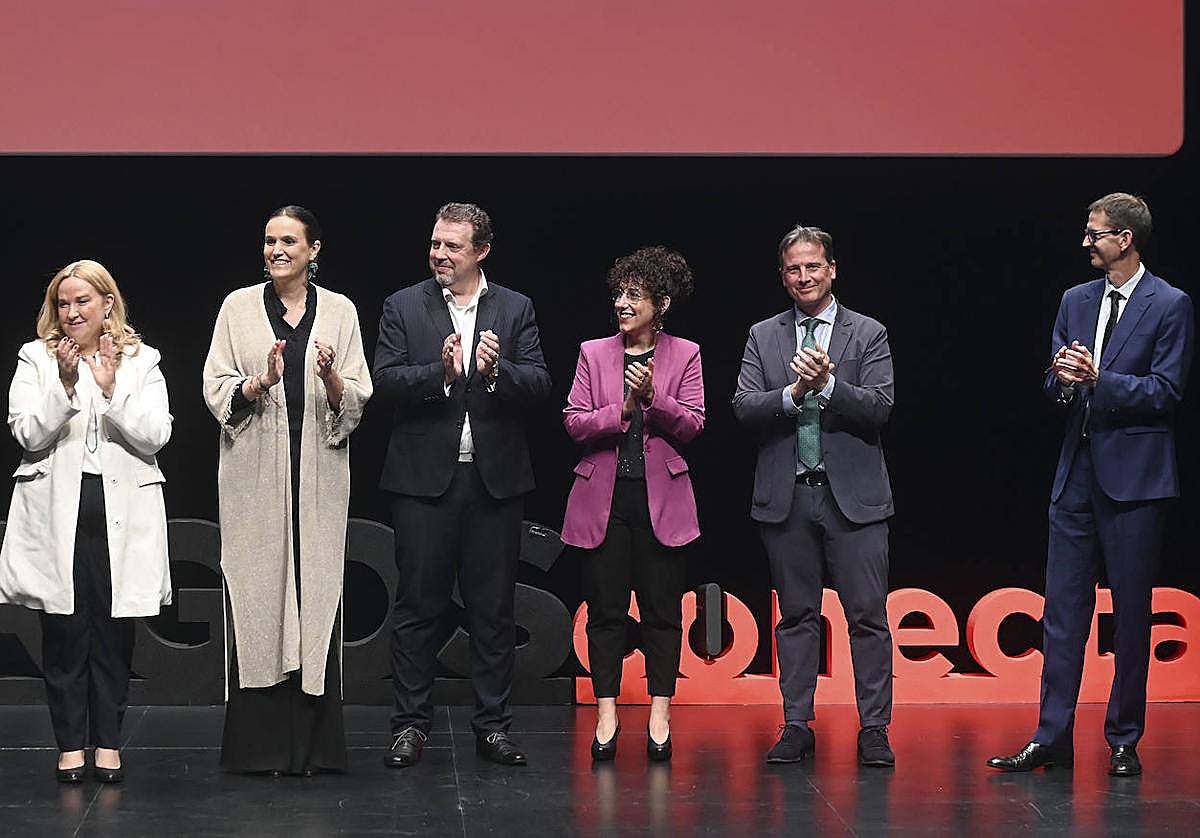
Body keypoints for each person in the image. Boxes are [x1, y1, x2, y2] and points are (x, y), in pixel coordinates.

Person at [989, 193, 1193, 777]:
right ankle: (1052, 734)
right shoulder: (1075, 301)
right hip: (1075, 473)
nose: (1086, 242)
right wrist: (1061, 376)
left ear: (1125, 239)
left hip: (1135, 480)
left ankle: (1124, 737)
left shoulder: (1170, 305)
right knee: (1062, 613)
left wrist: (1101, 380)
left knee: (1130, 613)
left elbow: (1167, 391)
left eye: (1096, 233)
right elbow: (1055, 385)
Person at [374, 202, 551, 768]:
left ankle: (492, 727)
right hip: (424, 485)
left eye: (452, 246)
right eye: (435, 244)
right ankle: (409, 726)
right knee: (418, 609)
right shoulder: (404, 305)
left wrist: (496, 373)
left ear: (482, 251)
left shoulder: (515, 308)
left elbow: (541, 384)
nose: (439, 255)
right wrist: (442, 374)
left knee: (493, 611)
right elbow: (385, 382)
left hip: (492, 485)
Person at [202, 205, 372, 775]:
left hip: (320, 474)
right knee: (258, 592)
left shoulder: (340, 311)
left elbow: (356, 396)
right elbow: (215, 386)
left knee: (316, 592)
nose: (276, 250)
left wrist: (326, 376)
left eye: (288, 242)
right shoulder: (237, 307)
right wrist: (259, 383)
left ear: (313, 250)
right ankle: (260, 748)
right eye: (270, 241)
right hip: (255, 476)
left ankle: (314, 749)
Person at [0, 259, 172, 783]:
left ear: (107, 304)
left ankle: (109, 742)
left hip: (118, 510)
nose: (72, 312)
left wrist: (112, 385)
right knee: (65, 630)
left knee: (114, 628)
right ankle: (71, 743)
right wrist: (68, 386)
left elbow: (156, 435)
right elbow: (28, 433)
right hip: (60, 510)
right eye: (63, 303)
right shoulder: (36, 358)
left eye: (83, 301)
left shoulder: (141, 360)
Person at [732, 225, 896, 767]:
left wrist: (826, 386)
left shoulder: (866, 332)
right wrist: (794, 393)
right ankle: (797, 723)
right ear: (783, 276)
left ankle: (874, 727)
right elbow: (745, 408)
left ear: (832, 269)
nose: (803, 277)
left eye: (812, 266)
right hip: (788, 495)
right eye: (793, 269)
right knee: (796, 615)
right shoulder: (765, 335)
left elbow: (879, 407)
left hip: (854, 497)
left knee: (867, 615)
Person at [562, 246, 704, 762]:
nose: (622, 304)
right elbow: (575, 422)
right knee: (605, 614)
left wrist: (654, 401)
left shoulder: (685, 354)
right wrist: (621, 407)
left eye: (634, 296)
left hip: (661, 501)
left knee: (663, 613)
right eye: (619, 294)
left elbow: (693, 424)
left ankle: (660, 713)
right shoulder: (593, 352)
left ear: (661, 303)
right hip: (604, 500)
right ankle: (606, 712)